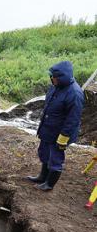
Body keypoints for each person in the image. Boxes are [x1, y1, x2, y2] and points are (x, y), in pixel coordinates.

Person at [27, 60, 84, 191]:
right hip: (48, 128)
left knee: (55, 159)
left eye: (54, 76)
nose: (52, 78)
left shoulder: (74, 93)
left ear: (62, 77)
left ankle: (49, 184)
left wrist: (64, 137)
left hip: (60, 133)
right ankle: (42, 176)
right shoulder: (55, 87)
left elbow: (73, 119)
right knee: (44, 153)